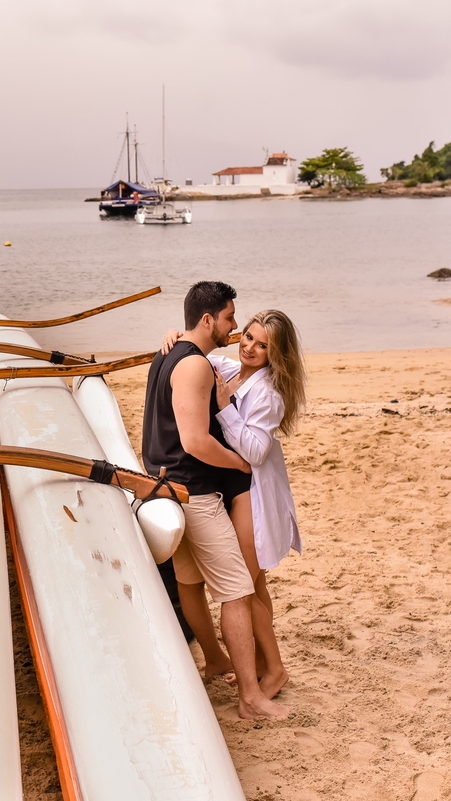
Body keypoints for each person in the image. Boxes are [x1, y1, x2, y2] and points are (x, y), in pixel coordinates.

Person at [141, 281, 288, 719]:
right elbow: (196, 441)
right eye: (230, 319)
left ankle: (217, 660)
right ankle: (250, 696)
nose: (235, 326)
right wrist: (237, 465)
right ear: (209, 320)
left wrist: (175, 338)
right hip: (195, 492)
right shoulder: (199, 367)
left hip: (163, 485)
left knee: (189, 582)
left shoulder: (170, 354)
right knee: (238, 592)